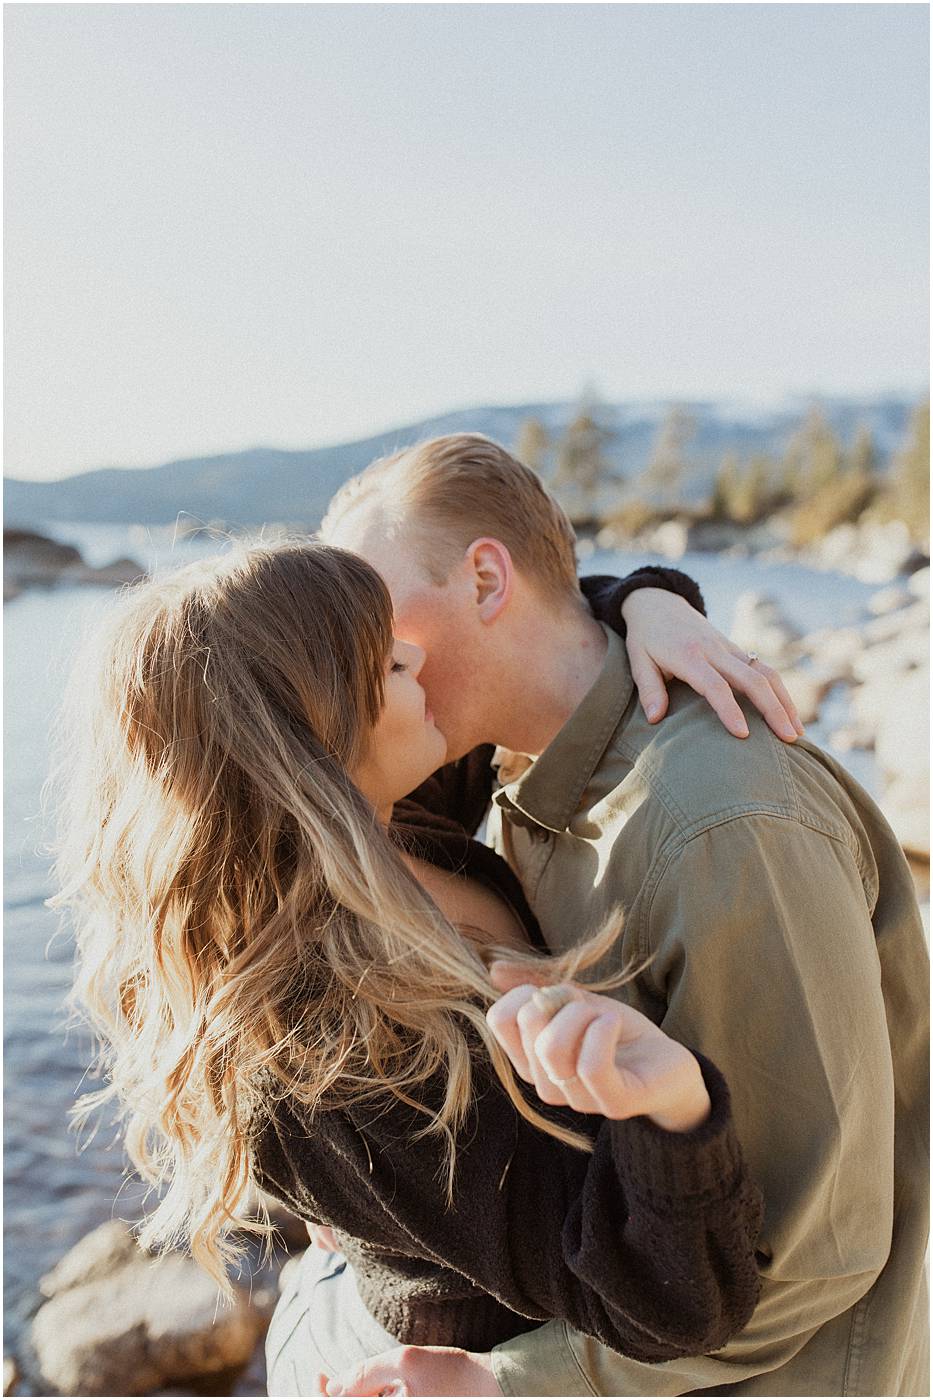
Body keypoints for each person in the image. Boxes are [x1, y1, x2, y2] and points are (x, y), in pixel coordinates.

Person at [51, 538, 766, 1400]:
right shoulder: (346, 1054)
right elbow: (673, 1307)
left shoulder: (383, 822)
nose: (419, 653)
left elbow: (540, 641)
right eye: (386, 660)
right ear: (314, 735)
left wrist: (650, 601)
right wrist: (671, 1107)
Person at [320, 434, 930, 1399]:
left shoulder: (720, 824)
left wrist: (503, 1382)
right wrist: (638, 595)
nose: (359, 655)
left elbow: (808, 1253)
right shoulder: (522, 759)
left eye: (370, 610)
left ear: (485, 581)